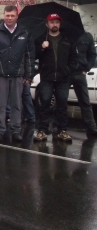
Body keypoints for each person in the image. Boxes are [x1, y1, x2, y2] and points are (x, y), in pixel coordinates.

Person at [0, 6, 35, 142]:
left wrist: (28, 75)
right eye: (7, 15)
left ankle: (16, 130)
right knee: (0, 105)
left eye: (12, 15)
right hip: (0, 74)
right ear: (4, 15)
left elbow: (29, 55)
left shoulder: (25, 32)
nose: (9, 18)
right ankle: (0, 130)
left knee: (17, 105)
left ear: (17, 16)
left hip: (18, 74)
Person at [34, 14, 75, 142]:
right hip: (47, 77)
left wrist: (69, 70)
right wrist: (42, 48)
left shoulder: (67, 39)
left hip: (63, 78)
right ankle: (42, 130)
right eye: (52, 22)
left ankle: (62, 130)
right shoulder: (41, 39)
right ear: (47, 24)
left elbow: (74, 58)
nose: (54, 25)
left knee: (62, 105)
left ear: (59, 24)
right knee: (45, 104)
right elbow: (34, 55)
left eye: (57, 22)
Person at [70, 32, 97, 136]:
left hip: (80, 73)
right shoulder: (66, 35)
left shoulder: (87, 36)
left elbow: (92, 54)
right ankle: (59, 127)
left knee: (85, 101)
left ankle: (91, 127)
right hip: (67, 73)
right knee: (61, 100)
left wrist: (86, 68)